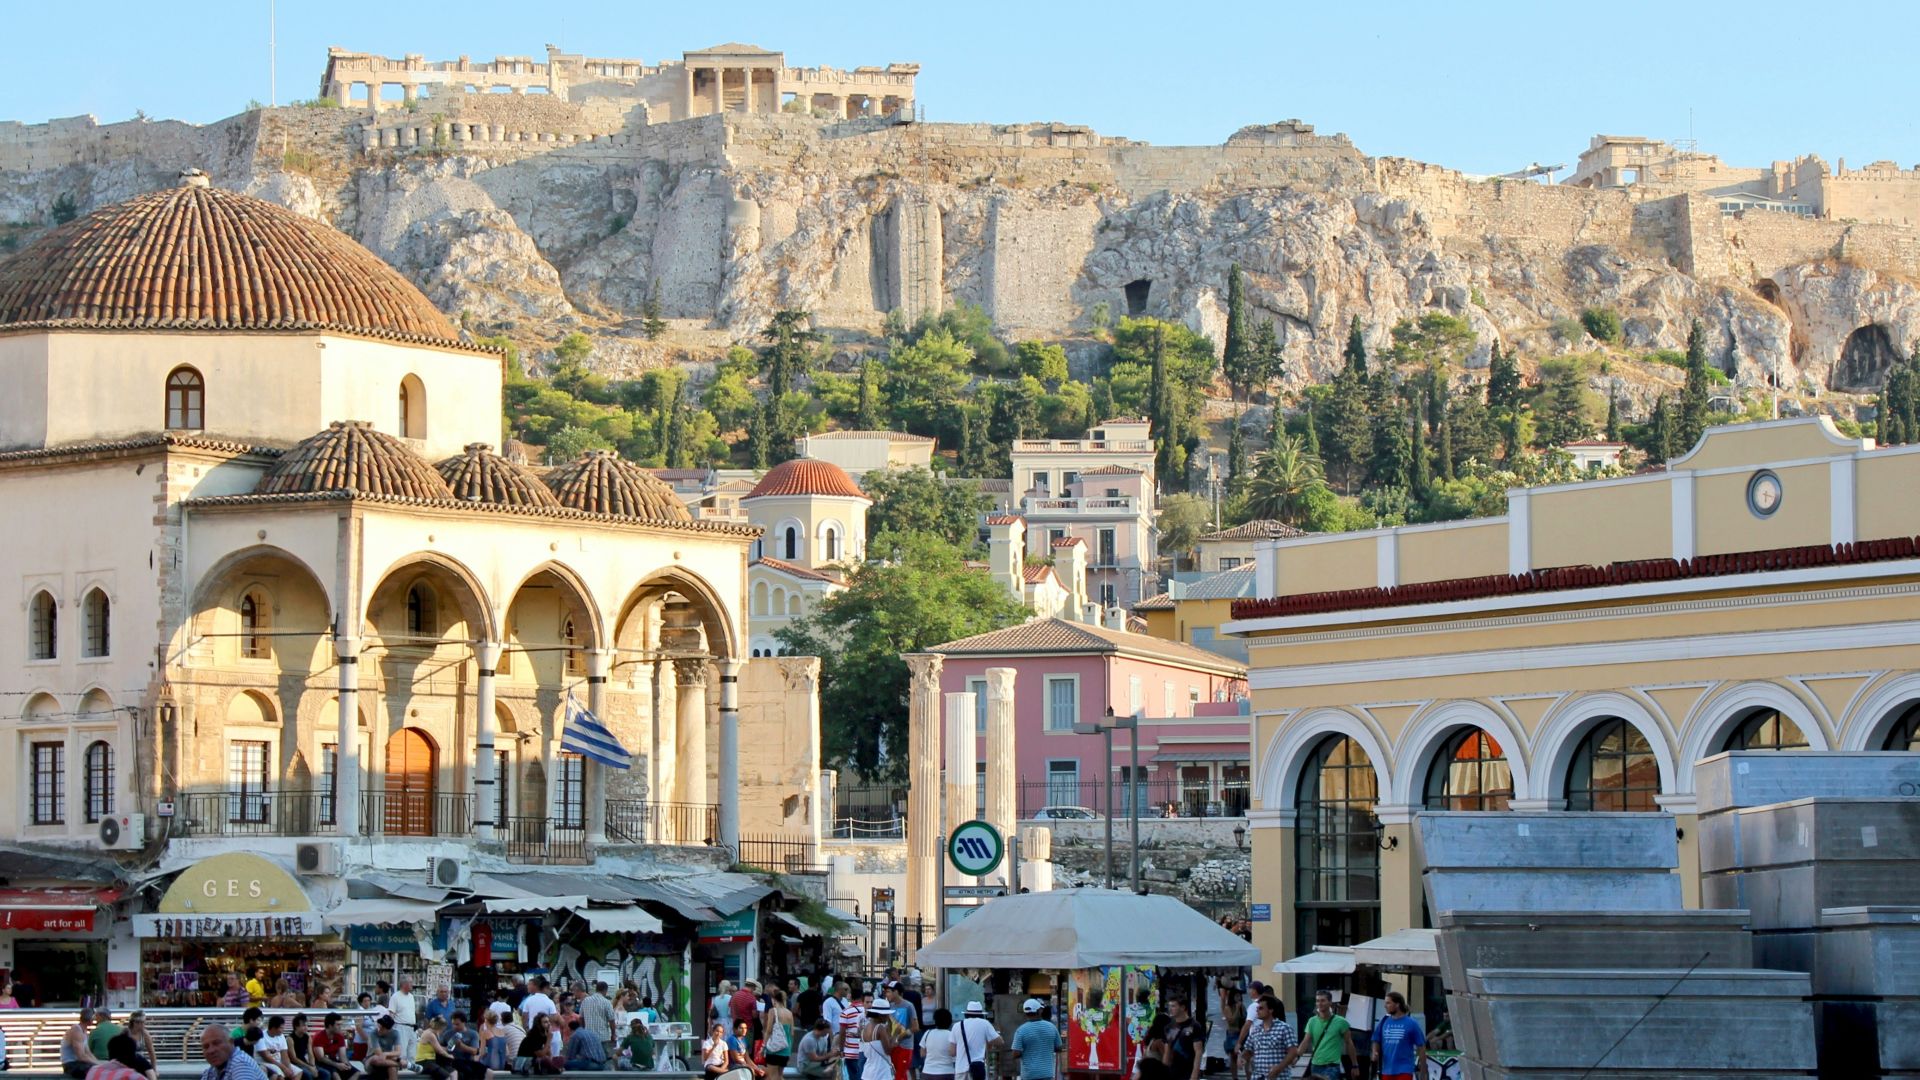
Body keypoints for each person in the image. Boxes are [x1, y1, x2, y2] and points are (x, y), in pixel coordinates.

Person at [1279, 991, 1356, 1080]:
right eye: (1317, 1001)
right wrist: (1297, 1056)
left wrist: (1355, 1065)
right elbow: (1305, 1041)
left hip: (1332, 1066)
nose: (1320, 1003)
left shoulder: (1341, 1022)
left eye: (1323, 1000)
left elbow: (1349, 1043)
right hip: (1315, 1065)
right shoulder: (1312, 1021)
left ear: (1330, 1002)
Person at [1238, 996, 1297, 1080]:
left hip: (1279, 1077)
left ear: (1270, 1010)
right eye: (1257, 1008)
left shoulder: (1284, 1028)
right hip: (1258, 1077)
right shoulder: (1256, 1030)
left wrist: (1279, 1068)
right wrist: (1241, 1057)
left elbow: (1293, 1052)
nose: (1257, 1010)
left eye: (1261, 1008)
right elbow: (1248, 1050)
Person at [1370, 992, 1425, 1080]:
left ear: (1397, 1005)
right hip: (1386, 1070)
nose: (1385, 1006)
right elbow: (1376, 1039)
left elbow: (1421, 1047)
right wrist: (1374, 1052)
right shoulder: (1384, 1021)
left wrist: (1423, 1071)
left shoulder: (1411, 1023)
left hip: (1404, 1070)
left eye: (1388, 1003)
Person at [1011, 1000, 1063, 1080]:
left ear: (1025, 1013)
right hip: (1047, 1074)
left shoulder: (1021, 1030)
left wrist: (1027, 1052)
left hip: (1028, 1075)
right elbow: (1059, 1048)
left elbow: (1015, 1054)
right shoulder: (1051, 1027)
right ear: (1039, 1011)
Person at [950, 1001, 1001, 1080]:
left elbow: (952, 1052)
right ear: (981, 1014)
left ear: (966, 1013)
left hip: (960, 1069)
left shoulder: (957, 1026)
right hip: (977, 1070)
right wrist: (987, 1041)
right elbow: (1000, 1041)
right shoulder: (985, 1024)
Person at [1159, 998, 1205, 1080]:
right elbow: (1167, 1051)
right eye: (1169, 1006)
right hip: (1172, 1072)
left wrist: (1194, 1074)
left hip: (1188, 1072)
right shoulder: (1169, 1027)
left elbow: (1198, 1051)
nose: (1170, 1009)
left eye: (1173, 1006)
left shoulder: (1194, 1026)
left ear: (1183, 1007)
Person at [201, 1027, 269, 1080]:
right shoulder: (212, 1070)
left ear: (231, 1042)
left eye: (216, 1043)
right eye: (206, 1047)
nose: (211, 1050)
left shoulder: (241, 1063)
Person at [881, 983, 916, 1080]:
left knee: (899, 1075)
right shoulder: (890, 1006)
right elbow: (888, 1026)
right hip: (892, 1046)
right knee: (895, 1074)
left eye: (888, 992)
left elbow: (915, 1027)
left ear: (896, 992)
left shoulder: (909, 1006)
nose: (886, 994)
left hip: (905, 1046)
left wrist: (900, 1036)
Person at [858, 1006, 895, 1080]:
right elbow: (888, 1050)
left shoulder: (865, 1028)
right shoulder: (880, 1028)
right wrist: (896, 1038)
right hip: (881, 1072)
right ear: (881, 1015)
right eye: (887, 1014)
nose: (888, 1017)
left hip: (867, 1072)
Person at [63, 1009, 102, 1080]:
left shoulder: (84, 1031)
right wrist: (98, 1064)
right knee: (97, 1071)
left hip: (79, 1063)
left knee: (103, 1068)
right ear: (91, 1020)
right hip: (71, 1065)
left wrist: (99, 1062)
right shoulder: (76, 1031)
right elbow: (81, 1056)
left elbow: (88, 1053)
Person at [312, 1014, 353, 1080]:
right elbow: (321, 1058)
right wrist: (337, 1065)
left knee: (355, 1072)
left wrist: (347, 1065)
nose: (340, 1027)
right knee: (335, 1075)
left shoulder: (340, 1036)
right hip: (321, 1063)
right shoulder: (319, 1037)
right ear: (330, 1026)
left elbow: (343, 1056)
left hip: (334, 1061)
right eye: (338, 1025)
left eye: (340, 1024)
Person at [838, 988, 867, 1080]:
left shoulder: (845, 1012)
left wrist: (841, 1049)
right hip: (865, 1051)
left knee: (854, 1076)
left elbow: (842, 1033)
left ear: (851, 997)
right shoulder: (868, 1011)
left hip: (851, 1051)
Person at [582, 982, 616, 1060]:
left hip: (588, 1036)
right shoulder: (607, 1002)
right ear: (605, 990)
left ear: (596, 989)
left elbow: (581, 1017)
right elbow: (612, 1020)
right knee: (604, 1058)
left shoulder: (586, 1001)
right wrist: (613, 1034)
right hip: (603, 1037)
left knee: (590, 1058)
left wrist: (583, 1029)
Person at [762, 988, 795, 1071]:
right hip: (786, 1050)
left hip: (774, 1050)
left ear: (774, 999)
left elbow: (769, 1031)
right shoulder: (789, 1013)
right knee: (779, 1076)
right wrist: (789, 1051)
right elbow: (792, 1033)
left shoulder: (772, 1011)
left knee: (772, 1076)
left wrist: (763, 1046)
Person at [920, 1009, 957, 1080]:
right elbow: (953, 1054)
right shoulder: (951, 1035)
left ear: (935, 1020)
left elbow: (922, 1054)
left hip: (927, 1072)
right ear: (949, 1021)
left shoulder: (928, 1033)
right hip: (946, 1072)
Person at [391, 977, 421, 1064]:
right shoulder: (395, 997)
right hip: (401, 1027)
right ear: (404, 984)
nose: (412, 985)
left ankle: (411, 1071)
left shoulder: (411, 997)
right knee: (402, 1053)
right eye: (410, 983)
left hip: (412, 1027)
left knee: (412, 1053)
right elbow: (391, 1013)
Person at [253, 1015, 291, 1080]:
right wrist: (284, 1068)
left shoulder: (281, 1036)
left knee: (298, 1073)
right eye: (281, 1028)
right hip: (265, 1063)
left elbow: (284, 1055)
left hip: (279, 1062)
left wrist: (288, 1068)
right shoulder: (261, 1035)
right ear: (273, 1028)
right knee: (279, 1076)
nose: (283, 1030)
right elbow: (266, 1057)